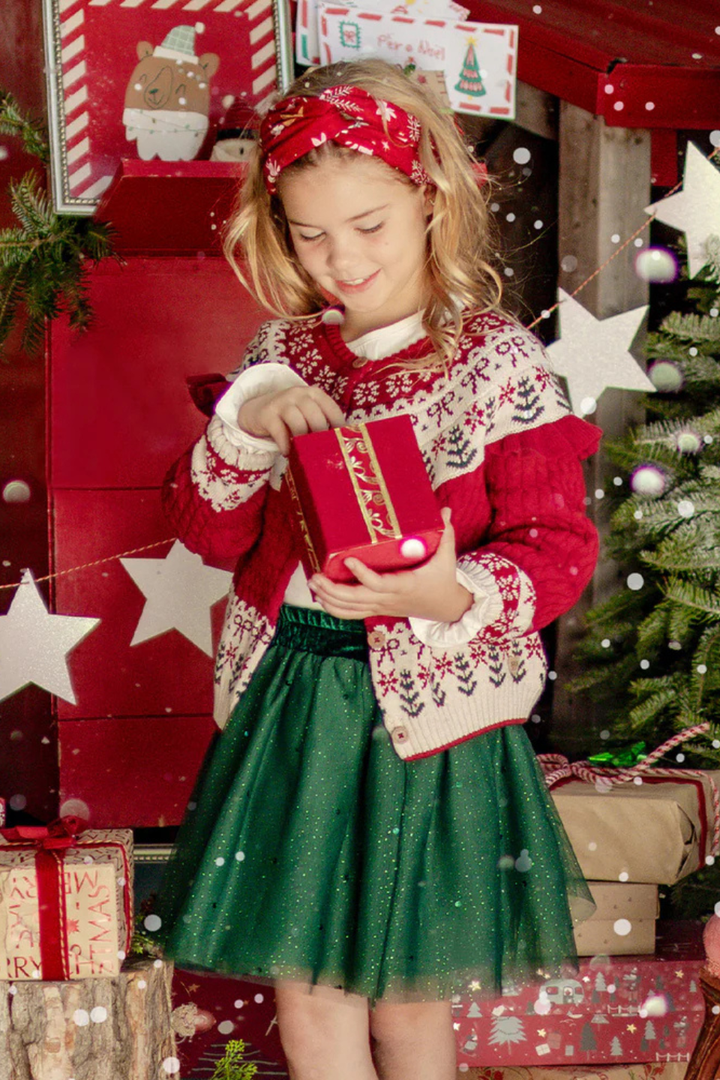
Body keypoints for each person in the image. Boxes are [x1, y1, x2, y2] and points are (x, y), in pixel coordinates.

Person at [154, 58, 600, 1080]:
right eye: (310, 234)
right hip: (297, 702)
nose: (340, 260)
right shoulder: (287, 354)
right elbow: (207, 535)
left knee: (406, 1001)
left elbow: (557, 546)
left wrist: (451, 595)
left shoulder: (494, 366)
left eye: (368, 226)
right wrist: (249, 420)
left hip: (424, 725)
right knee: (308, 995)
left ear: (430, 200)